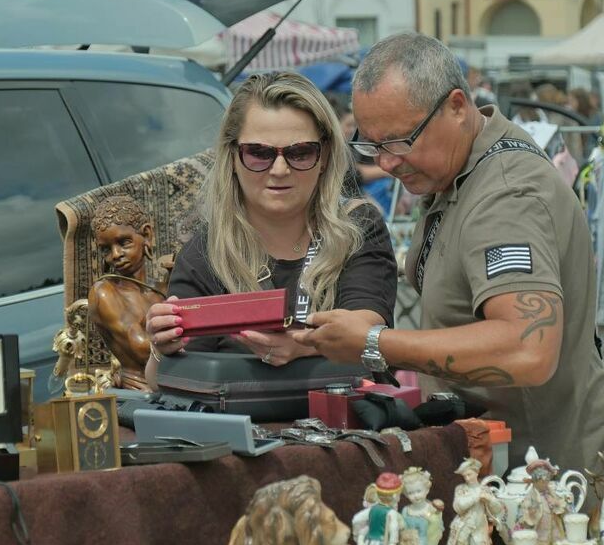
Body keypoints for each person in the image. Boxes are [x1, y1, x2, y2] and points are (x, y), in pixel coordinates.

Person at [294, 31, 604, 480]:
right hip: (521, 472)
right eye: (372, 145)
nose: (387, 162)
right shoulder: (460, 168)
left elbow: (528, 349)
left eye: (399, 141)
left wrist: (376, 343)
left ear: (457, 107)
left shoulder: (504, 195)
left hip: (558, 488)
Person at [143, 72, 397, 384]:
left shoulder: (357, 225)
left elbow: (367, 329)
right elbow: (161, 384)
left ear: (324, 156)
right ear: (233, 157)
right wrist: (162, 346)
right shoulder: (207, 250)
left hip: (349, 423)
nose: (279, 169)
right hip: (242, 428)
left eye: (300, 152)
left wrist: (302, 346)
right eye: (259, 153)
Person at [86, 194, 169, 390]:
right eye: (106, 249)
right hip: (141, 391)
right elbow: (142, 350)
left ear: (146, 235)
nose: (115, 255)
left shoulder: (161, 289)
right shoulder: (104, 292)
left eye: (124, 243)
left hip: (180, 384)